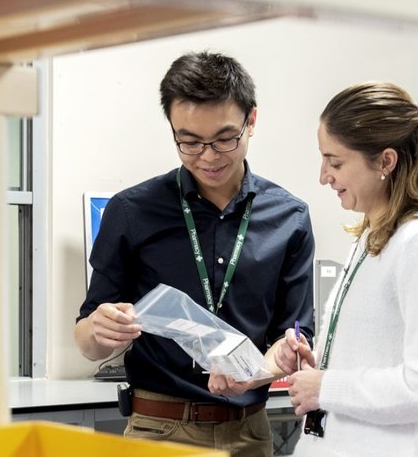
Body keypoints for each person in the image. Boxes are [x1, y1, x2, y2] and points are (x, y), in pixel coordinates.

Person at [74, 51, 315, 457]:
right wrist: (98, 332)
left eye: (224, 138)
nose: (207, 156)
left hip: (250, 433)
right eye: (188, 141)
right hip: (159, 430)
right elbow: (87, 338)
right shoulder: (132, 211)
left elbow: (292, 336)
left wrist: (259, 373)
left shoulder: (289, 217)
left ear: (251, 121)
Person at [284, 81, 418, 456]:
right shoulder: (372, 238)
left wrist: (326, 386)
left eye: (335, 162)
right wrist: (317, 362)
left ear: (385, 161)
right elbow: (373, 354)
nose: (324, 176)